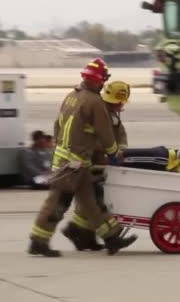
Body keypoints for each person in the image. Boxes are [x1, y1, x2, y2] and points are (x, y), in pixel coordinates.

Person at [28, 58, 137, 257]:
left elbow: (57, 125)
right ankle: (38, 240)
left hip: (73, 159)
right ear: (98, 80)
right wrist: (113, 153)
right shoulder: (94, 102)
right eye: (103, 80)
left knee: (91, 201)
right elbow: (106, 134)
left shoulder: (72, 96)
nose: (103, 83)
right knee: (58, 202)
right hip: (73, 162)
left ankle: (112, 238)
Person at [60, 80, 132, 252]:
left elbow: (120, 136)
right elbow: (93, 139)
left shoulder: (112, 116)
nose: (119, 107)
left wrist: (120, 151)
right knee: (94, 200)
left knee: (90, 201)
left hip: (97, 163)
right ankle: (94, 235)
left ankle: (82, 236)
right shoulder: (97, 111)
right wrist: (111, 153)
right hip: (86, 161)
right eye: (116, 103)